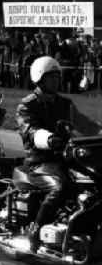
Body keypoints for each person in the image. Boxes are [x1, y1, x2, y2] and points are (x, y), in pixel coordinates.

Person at [16, 56, 100, 253]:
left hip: (66, 157)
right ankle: (35, 231)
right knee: (62, 186)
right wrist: (48, 139)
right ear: (39, 78)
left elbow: (85, 124)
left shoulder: (65, 103)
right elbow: (29, 129)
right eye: (51, 77)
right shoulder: (27, 105)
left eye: (57, 77)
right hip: (39, 161)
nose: (56, 81)